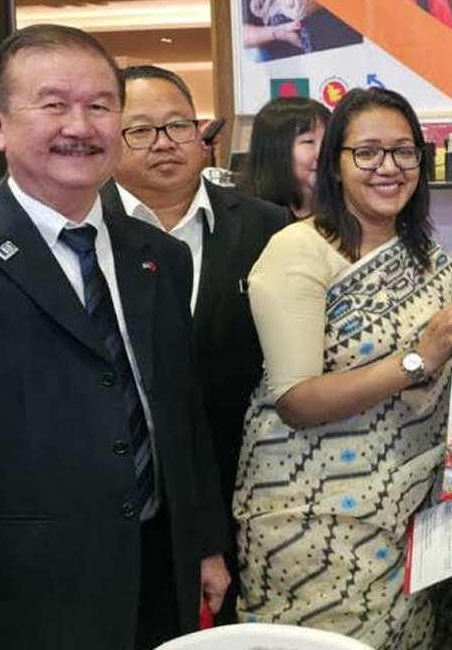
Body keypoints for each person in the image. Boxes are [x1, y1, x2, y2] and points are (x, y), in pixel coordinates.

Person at [0, 24, 228, 650]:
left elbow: (181, 412)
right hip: (22, 599)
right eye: (53, 105)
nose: (80, 125)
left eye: (99, 106)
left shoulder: (158, 256)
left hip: (157, 573)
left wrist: (204, 543)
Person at [232, 87, 452, 649]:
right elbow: (295, 400)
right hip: (314, 519)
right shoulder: (298, 251)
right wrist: (418, 359)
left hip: (416, 508)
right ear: (335, 165)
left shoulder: (427, 254)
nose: (388, 167)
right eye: (366, 152)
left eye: (404, 151)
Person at [98, 65, 286, 623]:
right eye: (141, 130)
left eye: (178, 125)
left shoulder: (267, 226)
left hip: (244, 483)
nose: (164, 143)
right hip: (128, 492)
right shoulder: (86, 229)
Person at [237, 96, 330, 219]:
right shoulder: (245, 216)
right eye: (308, 141)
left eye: (327, 141)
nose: (323, 152)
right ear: (275, 151)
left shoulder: (343, 214)